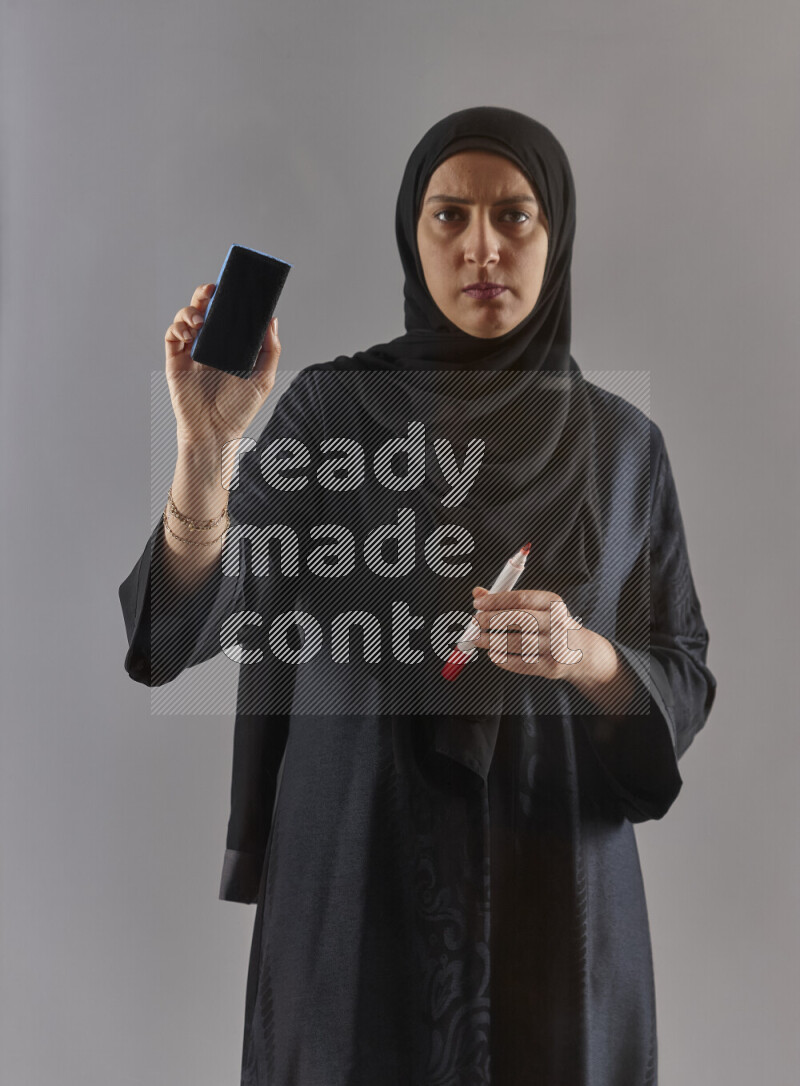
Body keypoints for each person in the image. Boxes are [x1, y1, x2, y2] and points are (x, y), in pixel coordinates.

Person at [119, 106, 717, 1086]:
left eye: (513, 215)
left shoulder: (621, 447)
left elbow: (680, 672)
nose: (481, 246)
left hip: (556, 904)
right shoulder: (332, 414)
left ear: (555, 233)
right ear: (412, 232)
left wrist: (584, 656)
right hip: (358, 885)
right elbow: (194, 616)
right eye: (449, 215)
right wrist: (206, 449)